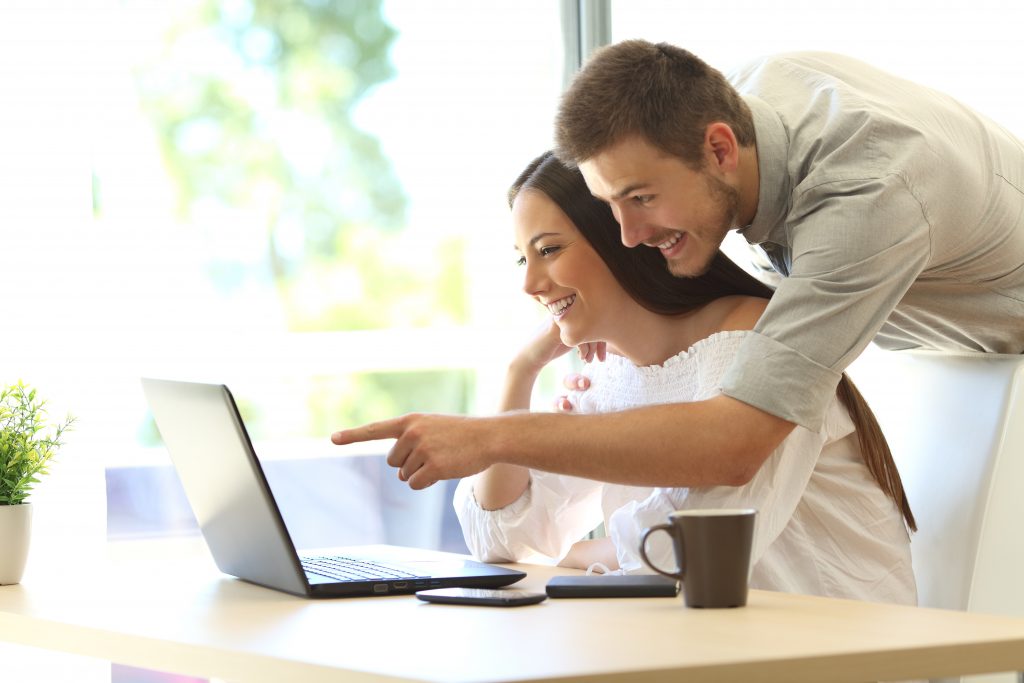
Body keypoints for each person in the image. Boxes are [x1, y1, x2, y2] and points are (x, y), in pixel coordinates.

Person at [331, 42, 1023, 499]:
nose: (629, 236)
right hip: (960, 351)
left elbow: (732, 446)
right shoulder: (745, 101)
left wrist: (488, 435)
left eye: (641, 199)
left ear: (721, 148)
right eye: (611, 204)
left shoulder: (867, 196)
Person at [451, 151, 916, 604]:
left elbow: (686, 550)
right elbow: (501, 544)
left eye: (548, 250)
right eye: (522, 259)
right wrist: (521, 370)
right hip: (704, 643)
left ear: (621, 238)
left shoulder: (753, 346)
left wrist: (570, 555)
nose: (530, 284)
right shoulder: (613, 373)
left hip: (837, 654)